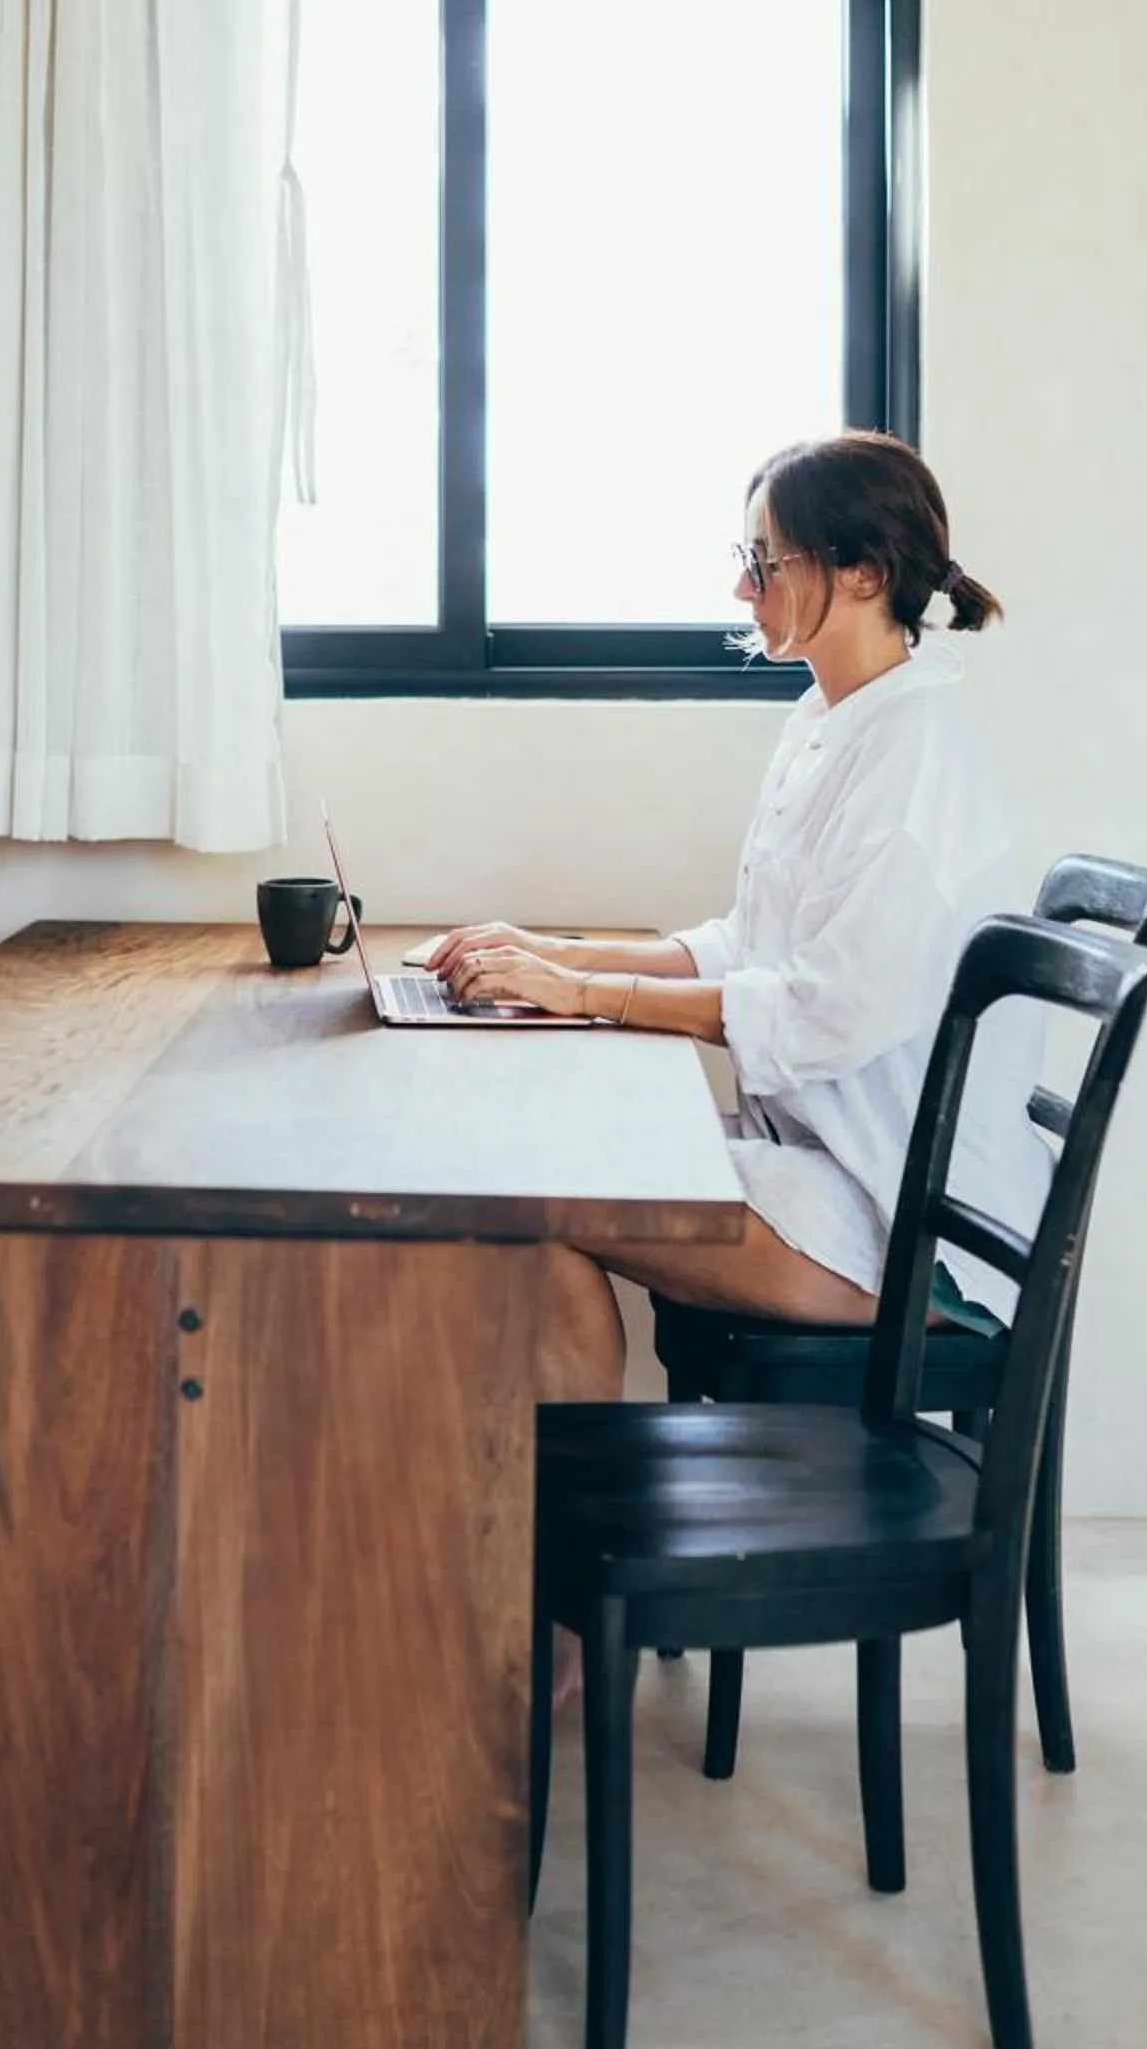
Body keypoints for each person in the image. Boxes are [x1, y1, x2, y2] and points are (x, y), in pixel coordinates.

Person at [431, 430, 1050, 1404]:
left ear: (861, 572)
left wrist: (584, 992)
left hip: (904, 1222)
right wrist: (548, 955)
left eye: (764, 564)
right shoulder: (832, 720)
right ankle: (552, 1523)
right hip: (834, 1166)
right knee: (531, 1160)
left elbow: (819, 1011)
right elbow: (750, 944)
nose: (742, 590)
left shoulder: (909, 754)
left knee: (529, 1206)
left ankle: (559, 1531)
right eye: (744, 562)